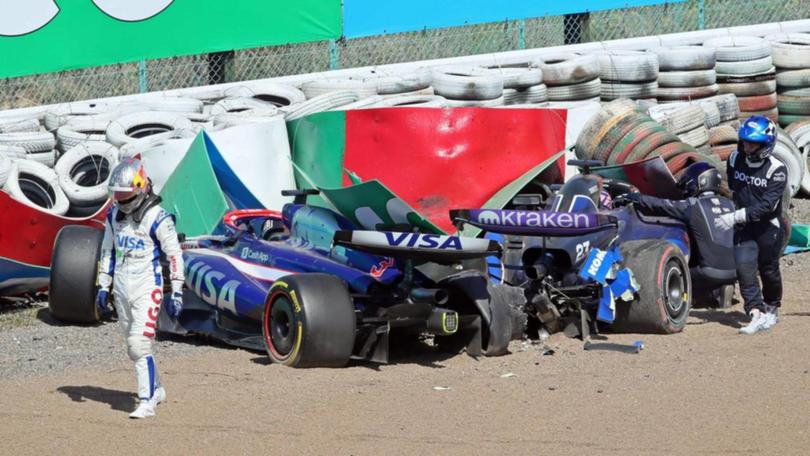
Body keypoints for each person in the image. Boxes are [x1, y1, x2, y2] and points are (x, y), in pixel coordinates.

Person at [96, 157, 185, 418]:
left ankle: (146, 401)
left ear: (139, 187)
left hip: (148, 284)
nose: (120, 200)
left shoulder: (158, 217)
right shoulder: (113, 215)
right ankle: (156, 388)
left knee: (139, 343)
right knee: (130, 344)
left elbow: (174, 254)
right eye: (117, 194)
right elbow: (107, 251)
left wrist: (177, 291)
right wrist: (104, 286)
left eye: (124, 194)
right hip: (122, 286)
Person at [613, 162, 737, 305]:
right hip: (737, 272)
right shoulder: (731, 205)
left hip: (709, 272)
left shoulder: (692, 205)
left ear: (698, 182)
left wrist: (634, 198)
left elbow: (661, 204)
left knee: (669, 275)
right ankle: (721, 290)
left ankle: (696, 298)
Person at [715, 115, 786, 335]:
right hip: (744, 227)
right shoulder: (735, 159)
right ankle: (755, 312)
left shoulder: (778, 169)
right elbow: (734, 187)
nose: (747, 147)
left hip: (768, 228)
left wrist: (735, 217)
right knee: (744, 268)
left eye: (753, 143)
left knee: (768, 269)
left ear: (765, 145)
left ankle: (772, 306)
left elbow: (767, 206)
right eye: (745, 141)